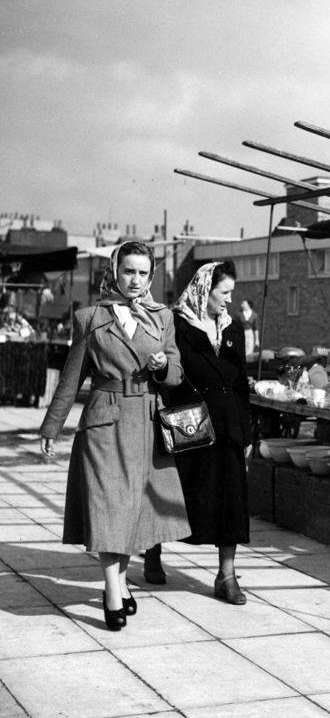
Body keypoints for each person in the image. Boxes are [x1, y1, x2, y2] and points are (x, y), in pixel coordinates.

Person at [39, 241, 190, 631]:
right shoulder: (89, 317)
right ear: (115, 271)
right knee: (109, 507)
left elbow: (176, 372)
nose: (135, 280)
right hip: (104, 422)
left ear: (151, 277)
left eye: (143, 273)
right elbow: (72, 379)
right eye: (128, 271)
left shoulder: (163, 318)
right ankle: (111, 590)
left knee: (133, 511)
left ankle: (120, 583)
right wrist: (52, 426)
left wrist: (161, 366)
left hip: (147, 423)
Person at [147, 261, 252, 604]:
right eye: (224, 292)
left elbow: (240, 383)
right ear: (205, 290)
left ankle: (227, 575)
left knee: (232, 501)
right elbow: (168, 374)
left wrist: (247, 432)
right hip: (190, 424)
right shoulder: (176, 325)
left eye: (232, 293)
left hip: (229, 426)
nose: (229, 300)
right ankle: (153, 551)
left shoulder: (233, 329)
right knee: (176, 495)